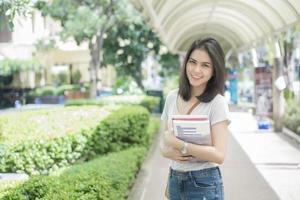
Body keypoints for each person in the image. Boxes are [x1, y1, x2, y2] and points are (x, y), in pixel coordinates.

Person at [160, 37, 230, 200]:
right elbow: (163, 141)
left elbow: (219, 155)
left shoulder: (217, 103)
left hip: (203, 183)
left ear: (214, 71)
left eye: (205, 65)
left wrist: (181, 145)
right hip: (174, 179)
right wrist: (167, 152)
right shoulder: (172, 97)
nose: (196, 70)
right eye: (193, 62)